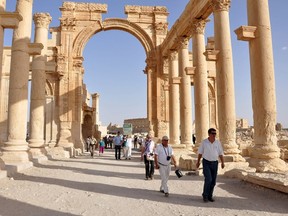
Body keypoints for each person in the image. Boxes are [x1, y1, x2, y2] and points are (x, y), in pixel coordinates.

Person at [196, 128, 225, 203]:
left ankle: (210, 195)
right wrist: (198, 162)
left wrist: (222, 162)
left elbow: (220, 153)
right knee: (208, 179)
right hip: (206, 163)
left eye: (215, 133)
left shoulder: (217, 143)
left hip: (215, 163)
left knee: (213, 182)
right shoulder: (204, 142)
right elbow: (200, 153)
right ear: (209, 134)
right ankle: (205, 195)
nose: (214, 135)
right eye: (212, 133)